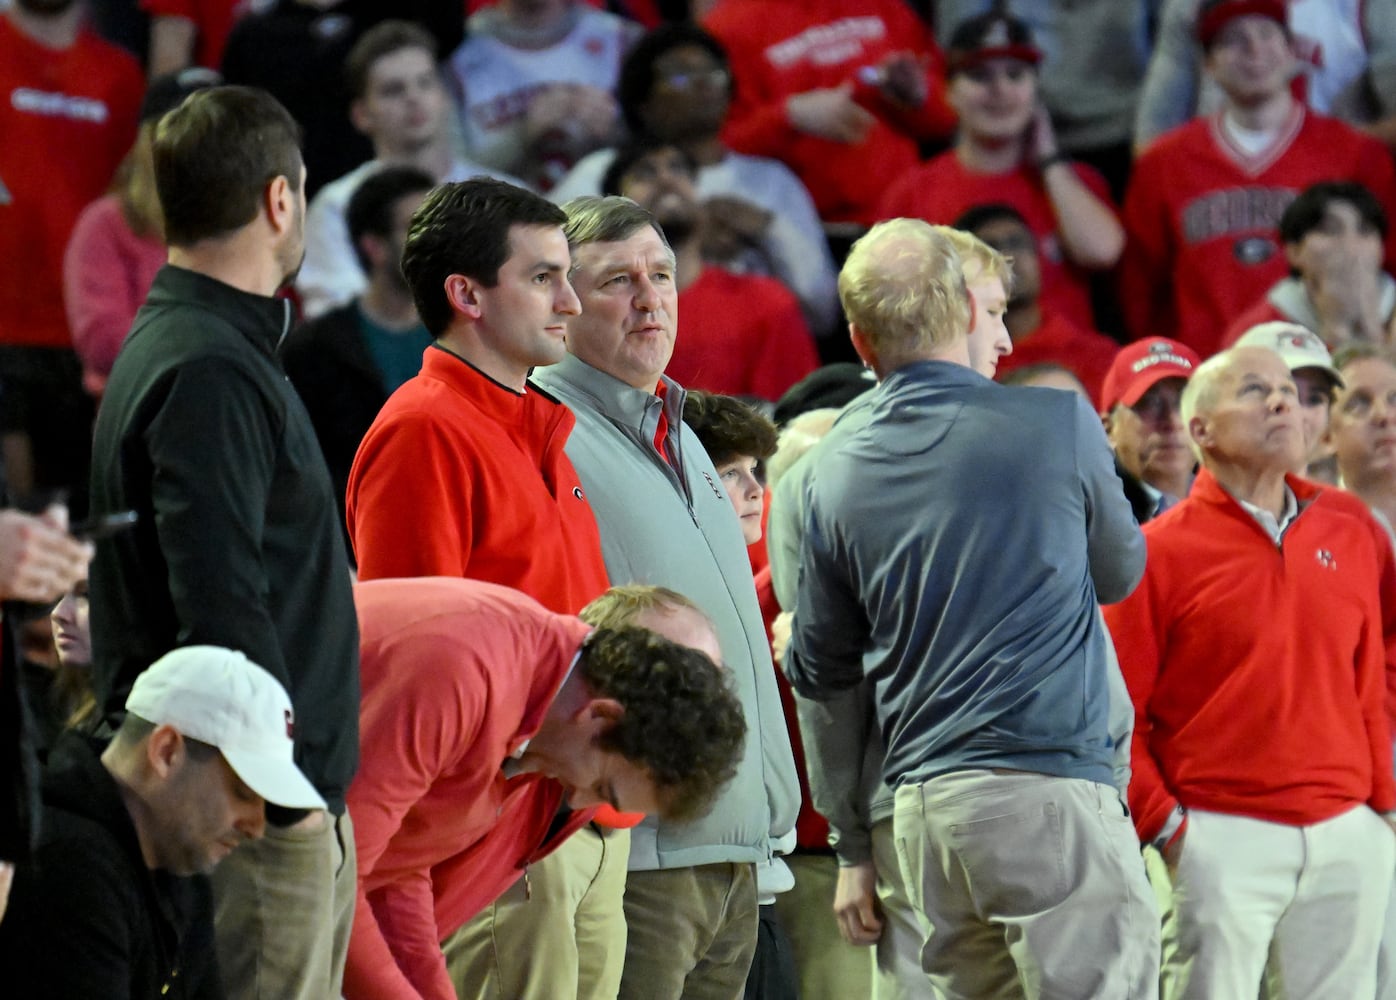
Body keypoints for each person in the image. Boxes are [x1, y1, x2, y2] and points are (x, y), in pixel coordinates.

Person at [786, 217, 1158, 999]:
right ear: (961, 310)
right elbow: (1121, 571)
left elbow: (820, 672)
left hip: (922, 815)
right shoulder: (1055, 422)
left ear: (859, 340)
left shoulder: (822, 475)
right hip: (1051, 792)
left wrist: (853, 839)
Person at [87, 86, 361, 1000]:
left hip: (260, 790)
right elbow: (219, 592)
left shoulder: (202, 344)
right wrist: (277, 795)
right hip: (250, 805)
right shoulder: (207, 360)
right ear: (280, 199)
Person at [344, 175, 623, 1000]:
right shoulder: (424, 428)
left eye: (568, 275)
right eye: (543, 278)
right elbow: (401, 667)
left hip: (573, 816)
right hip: (487, 846)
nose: (570, 301)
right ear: (465, 293)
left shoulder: (542, 428)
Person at [532, 195, 801, 1000]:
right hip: (644, 851)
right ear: (565, 301)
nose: (650, 299)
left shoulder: (681, 426)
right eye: (618, 281)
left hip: (737, 847)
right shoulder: (547, 427)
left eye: (661, 275)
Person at [1104, 343, 1396, 999]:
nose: (1281, 401)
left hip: (1347, 829)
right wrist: (1171, 831)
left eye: (1289, 392)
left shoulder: (1351, 525)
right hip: (1218, 833)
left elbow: (1378, 660)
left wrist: (1379, 805)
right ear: (1200, 429)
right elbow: (1117, 715)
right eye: (1253, 390)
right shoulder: (1153, 553)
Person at [344, 576, 747, 1000]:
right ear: (601, 717)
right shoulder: (466, 671)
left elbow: (395, 871)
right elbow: (332, 872)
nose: (578, 801)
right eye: (603, 787)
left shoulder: (533, 709)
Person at [0, 644, 327, 997]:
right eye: (243, 792)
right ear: (166, 751)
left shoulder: (177, 860)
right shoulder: (66, 865)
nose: (257, 827)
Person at [1120, 0, 1396, 357]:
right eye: (1233, 40)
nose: (1254, 50)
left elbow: (1386, 270)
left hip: (1327, 370)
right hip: (1206, 374)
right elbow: (1139, 291)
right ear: (1208, 64)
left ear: (1291, 50)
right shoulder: (1163, 164)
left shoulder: (1355, 154)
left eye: (1267, 35)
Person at [550, 22, 840, 338]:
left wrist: (768, 230)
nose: (703, 84)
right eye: (680, 76)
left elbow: (823, 312)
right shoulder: (602, 172)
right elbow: (546, 273)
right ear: (643, 105)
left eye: (714, 73)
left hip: (750, 346)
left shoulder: (771, 181)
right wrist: (684, 242)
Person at [880, 10, 1124, 333]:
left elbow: (1103, 252)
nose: (1000, 90)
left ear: (1036, 88)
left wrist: (1049, 160)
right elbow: (892, 312)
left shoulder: (1074, 182)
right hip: (965, 373)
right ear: (948, 91)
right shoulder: (910, 194)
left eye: (1015, 75)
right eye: (979, 76)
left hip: (1067, 371)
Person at [0, 0, 144, 505]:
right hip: (5, 324)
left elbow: (133, 203)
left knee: (79, 525)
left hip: (86, 337)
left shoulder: (120, 74)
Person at [296, 20, 521, 319]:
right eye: (393, 90)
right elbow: (337, 316)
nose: (413, 97)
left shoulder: (506, 197)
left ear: (443, 96)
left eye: (425, 82)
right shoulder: (336, 206)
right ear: (362, 114)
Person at [701, 0, 956, 227]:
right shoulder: (727, 26)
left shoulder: (886, 7)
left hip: (902, 218)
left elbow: (948, 118)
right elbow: (714, 146)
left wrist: (916, 96)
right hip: (800, 230)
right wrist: (790, 116)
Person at [281, 164, 435, 539]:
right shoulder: (314, 350)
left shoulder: (469, 334)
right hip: (360, 545)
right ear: (375, 247)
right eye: (418, 227)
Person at [603, 142, 820, 403]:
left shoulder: (767, 303)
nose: (666, 178)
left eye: (679, 169)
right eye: (644, 173)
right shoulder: (593, 318)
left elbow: (793, 424)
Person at [63, 67, 223, 399]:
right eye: (180, 130)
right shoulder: (106, 223)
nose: (198, 147)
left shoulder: (249, 226)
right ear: (148, 142)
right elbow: (103, 341)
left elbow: (277, 326)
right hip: (139, 409)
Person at [1135, 0, 1396, 153]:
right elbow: (1151, 139)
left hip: (1338, 186)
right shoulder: (1191, 6)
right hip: (1218, 184)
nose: (1255, 49)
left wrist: (1316, 150)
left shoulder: (1368, 6)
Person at [446, 0, 639, 191]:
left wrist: (615, 133)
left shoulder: (622, 39)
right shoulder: (454, 53)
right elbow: (450, 172)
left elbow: (656, 150)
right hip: (502, 214)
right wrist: (520, 136)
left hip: (610, 211)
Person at [955, 202, 1119, 407]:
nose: (1008, 257)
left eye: (1017, 243)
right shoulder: (952, 366)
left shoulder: (1097, 356)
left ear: (1038, 259)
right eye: (991, 249)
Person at [1223, 180, 1396, 348]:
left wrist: (1373, 331)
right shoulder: (1259, 329)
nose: (1350, 247)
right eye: (1329, 230)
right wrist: (1335, 331)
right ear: (1294, 252)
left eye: (1365, 230)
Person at [1099, 337, 1202, 523]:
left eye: (1185, 401)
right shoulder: (1092, 521)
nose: (1172, 421)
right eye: (1150, 403)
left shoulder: (1238, 502)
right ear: (1108, 430)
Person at [1232, 321, 1343, 482]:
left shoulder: (1345, 507)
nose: (1300, 414)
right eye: (1285, 392)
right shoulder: (1194, 506)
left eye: (1314, 399)